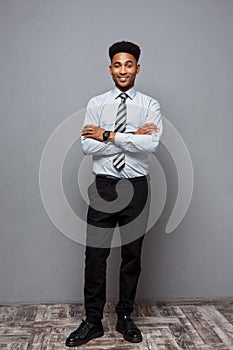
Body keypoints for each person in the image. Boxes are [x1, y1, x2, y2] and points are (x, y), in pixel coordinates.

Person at [65, 41, 163, 347]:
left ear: (137, 68)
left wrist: (107, 135)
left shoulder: (150, 105)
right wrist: (133, 137)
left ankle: (124, 317)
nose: (123, 70)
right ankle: (92, 321)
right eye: (118, 65)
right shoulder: (96, 103)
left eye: (129, 64)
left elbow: (152, 145)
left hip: (136, 187)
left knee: (131, 256)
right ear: (110, 68)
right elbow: (86, 146)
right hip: (104, 186)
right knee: (95, 256)